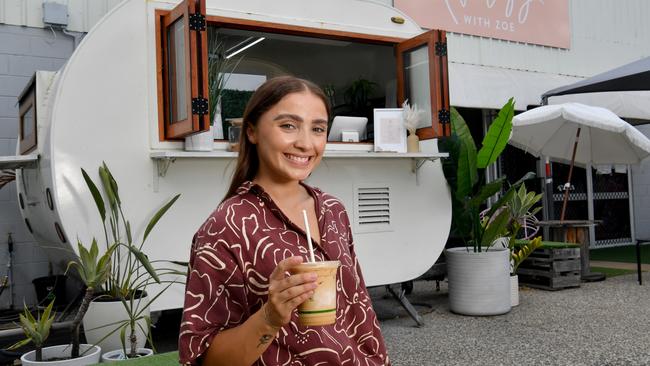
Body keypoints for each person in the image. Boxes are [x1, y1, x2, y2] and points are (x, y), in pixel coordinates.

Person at [178, 76, 390, 365]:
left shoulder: (333, 209)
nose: (305, 143)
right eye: (288, 125)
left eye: (318, 129)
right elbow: (205, 359)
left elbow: (360, 311)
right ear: (251, 131)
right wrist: (270, 317)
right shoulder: (227, 226)